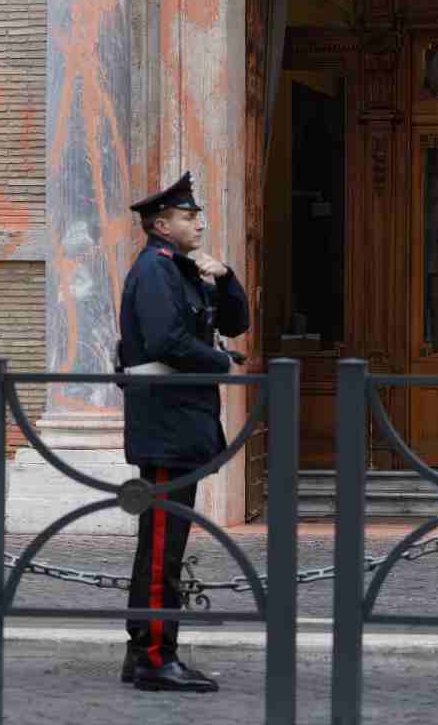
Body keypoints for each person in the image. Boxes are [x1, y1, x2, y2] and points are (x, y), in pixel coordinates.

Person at [117, 172, 249, 692]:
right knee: (160, 549)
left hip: (182, 419)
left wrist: (226, 276)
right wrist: (221, 362)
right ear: (161, 225)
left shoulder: (184, 270)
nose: (199, 222)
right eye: (188, 216)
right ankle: (153, 657)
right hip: (166, 421)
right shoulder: (154, 270)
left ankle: (143, 653)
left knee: (163, 543)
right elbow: (167, 340)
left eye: (198, 214)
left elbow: (235, 322)